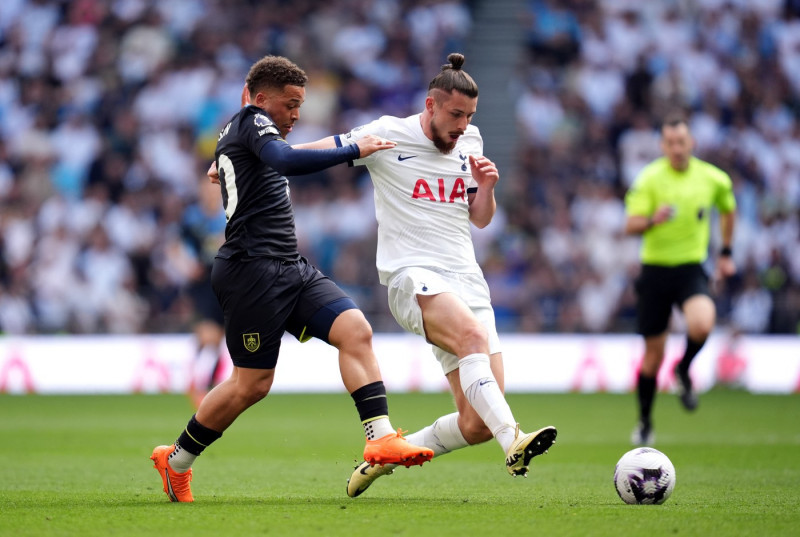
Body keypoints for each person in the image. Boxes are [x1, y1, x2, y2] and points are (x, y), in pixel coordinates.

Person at [150, 55, 433, 503]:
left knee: (355, 329)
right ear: (262, 100)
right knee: (252, 385)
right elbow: (286, 160)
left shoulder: (247, 134)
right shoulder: (252, 122)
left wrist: (224, 160)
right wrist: (351, 152)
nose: (297, 114)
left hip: (290, 267)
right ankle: (177, 459)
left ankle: (379, 437)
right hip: (250, 272)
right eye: (291, 103)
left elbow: (276, 155)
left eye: (300, 104)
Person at [298, 53, 557, 497]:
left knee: (475, 422)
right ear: (431, 105)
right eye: (455, 114)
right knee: (474, 344)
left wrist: (488, 189)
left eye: (469, 116)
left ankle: (382, 457)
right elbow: (323, 147)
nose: (462, 124)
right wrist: (255, 157)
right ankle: (513, 439)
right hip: (411, 275)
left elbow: (480, 219)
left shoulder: (470, 141)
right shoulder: (387, 133)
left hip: (466, 279)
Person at [624, 113, 737, 446]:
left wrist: (726, 252)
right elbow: (630, 225)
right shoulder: (649, 179)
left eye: (681, 142)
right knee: (652, 357)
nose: (676, 148)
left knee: (702, 324)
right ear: (662, 145)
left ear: (692, 143)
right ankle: (645, 421)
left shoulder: (713, 179)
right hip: (655, 270)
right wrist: (651, 221)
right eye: (670, 143)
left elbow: (728, 209)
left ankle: (684, 369)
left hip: (690, 268)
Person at [181, 176, 228, 409]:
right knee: (209, 335)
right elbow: (176, 244)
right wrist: (185, 264)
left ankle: (208, 385)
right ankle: (197, 384)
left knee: (218, 339)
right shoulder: (192, 218)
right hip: (203, 281)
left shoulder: (228, 216)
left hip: (226, 281)